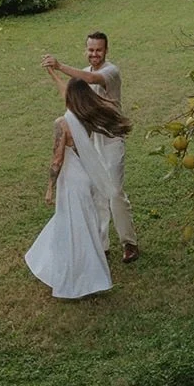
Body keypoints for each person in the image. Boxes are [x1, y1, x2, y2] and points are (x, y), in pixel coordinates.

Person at [25, 78, 132, 300]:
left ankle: (79, 280)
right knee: (76, 223)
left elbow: (57, 160)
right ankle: (63, 268)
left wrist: (49, 188)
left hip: (72, 181)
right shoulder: (85, 119)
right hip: (86, 177)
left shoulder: (62, 123)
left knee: (75, 227)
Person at [42, 32, 139, 262]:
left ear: (106, 50)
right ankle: (101, 245)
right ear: (86, 50)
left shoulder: (110, 72)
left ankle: (129, 243)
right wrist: (53, 73)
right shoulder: (85, 73)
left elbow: (91, 79)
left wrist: (60, 65)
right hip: (90, 141)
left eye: (99, 50)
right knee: (96, 194)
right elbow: (72, 95)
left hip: (112, 140)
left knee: (114, 192)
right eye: (91, 50)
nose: (94, 54)